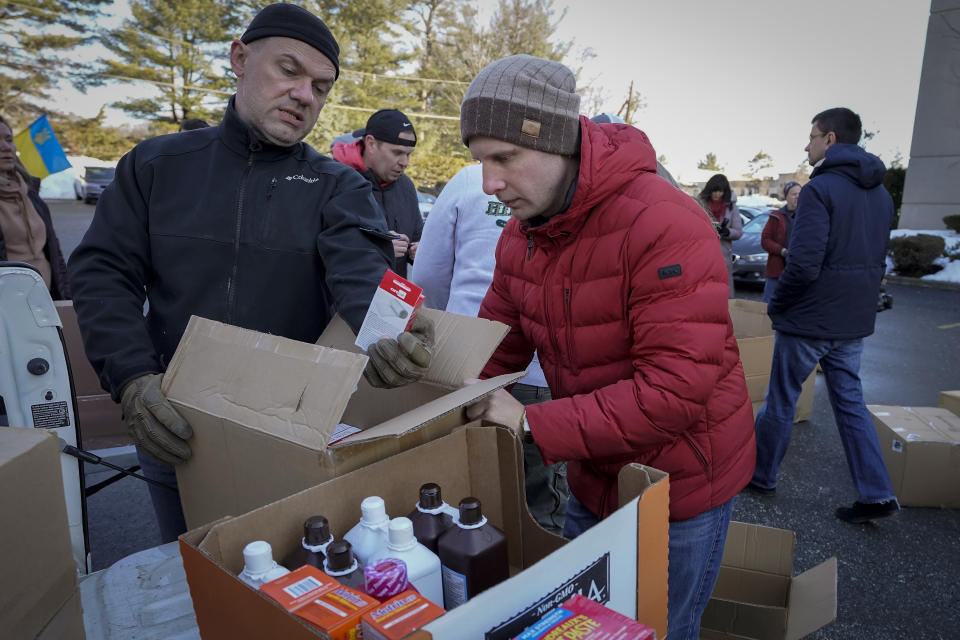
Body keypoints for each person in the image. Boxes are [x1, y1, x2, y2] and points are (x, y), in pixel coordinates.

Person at [67, 3, 434, 543]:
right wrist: (131, 378)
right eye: (289, 70)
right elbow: (102, 272)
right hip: (176, 425)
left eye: (321, 86)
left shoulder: (337, 185)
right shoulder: (156, 165)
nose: (305, 95)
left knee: (293, 581)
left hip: (293, 432)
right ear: (239, 58)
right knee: (195, 571)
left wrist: (391, 334)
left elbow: (361, 275)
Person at [459, 55, 755, 639]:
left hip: (679, 487)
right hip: (594, 474)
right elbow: (497, 343)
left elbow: (674, 392)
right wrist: (445, 377)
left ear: (557, 142)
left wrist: (529, 422)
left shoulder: (663, 223)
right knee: (585, 627)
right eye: (480, 162)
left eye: (504, 158)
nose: (489, 184)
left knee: (655, 628)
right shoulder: (524, 236)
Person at [749, 107, 899, 524]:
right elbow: (875, 261)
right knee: (850, 404)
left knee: (781, 398)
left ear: (830, 139)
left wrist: (779, 306)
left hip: (811, 320)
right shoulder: (882, 195)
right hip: (852, 321)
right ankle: (877, 493)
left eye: (812, 136)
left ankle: (762, 476)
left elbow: (803, 262)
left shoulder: (821, 190)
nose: (807, 144)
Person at [411, 163, 568, 534]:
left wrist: (458, 320)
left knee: (463, 485)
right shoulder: (558, 182)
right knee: (539, 496)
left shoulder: (468, 178)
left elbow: (427, 274)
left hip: (466, 363)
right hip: (544, 371)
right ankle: (541, 575)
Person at [332, 109, 422, 278]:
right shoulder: (335, 181)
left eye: (409, 154)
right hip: (343, 299)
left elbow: (417, 237)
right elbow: (316, 245)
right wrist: (377, 248)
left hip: (391, 301)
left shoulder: (406, 186)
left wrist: (418, 251)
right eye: (397, 153)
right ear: (371, 144)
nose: (405, 162)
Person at [0, 115, 71, 300]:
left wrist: (66, 297)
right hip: (8, 309)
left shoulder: (30, 193)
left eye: (8, 140)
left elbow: (55, 253)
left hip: (46, 301)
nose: (6, 147)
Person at [697, 174, 742, 297]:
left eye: (720, 191)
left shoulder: (731, 208)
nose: (717, 194)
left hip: (723, 256)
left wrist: (727, 232)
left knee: (725, 293)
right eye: (714, 191)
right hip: (703, 255)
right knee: (704, 293)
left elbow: (738, 232)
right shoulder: (700, 205)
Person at [760, 181, 801, 303]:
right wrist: (781, 251)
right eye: (794, 194)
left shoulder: (807, 215)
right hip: (777, 270)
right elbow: (765, 240)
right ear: (786, 196)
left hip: (798, 271)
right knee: (769, 304)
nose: (798, 196)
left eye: (800, 194)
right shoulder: (776, 216)